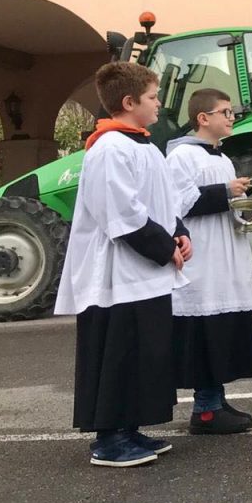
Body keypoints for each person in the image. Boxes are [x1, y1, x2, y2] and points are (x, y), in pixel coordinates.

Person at [54, 62, 193, 468]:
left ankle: (129, 425)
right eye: (152, 97)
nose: (159, 103)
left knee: (142, 351)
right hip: (115, 272)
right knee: (118, 350)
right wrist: (164, 248)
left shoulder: (144, 145)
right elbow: (122, 213)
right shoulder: (109, 148)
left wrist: (179, 232)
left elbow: (162, 200)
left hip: (143, 270)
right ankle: (109, 439)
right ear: (129, 102)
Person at [166, 88, 252, 435]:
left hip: (225, 256)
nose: (231, 117)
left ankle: (217, 399)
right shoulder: (182, 157)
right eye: (224, 112)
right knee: (204, 333)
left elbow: (227, 202)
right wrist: (225, 192)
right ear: (203, 118)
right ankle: (205, 409)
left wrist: (245, 208)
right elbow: (177, 205)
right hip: (202, 259)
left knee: (223, 332)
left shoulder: (222, 157)